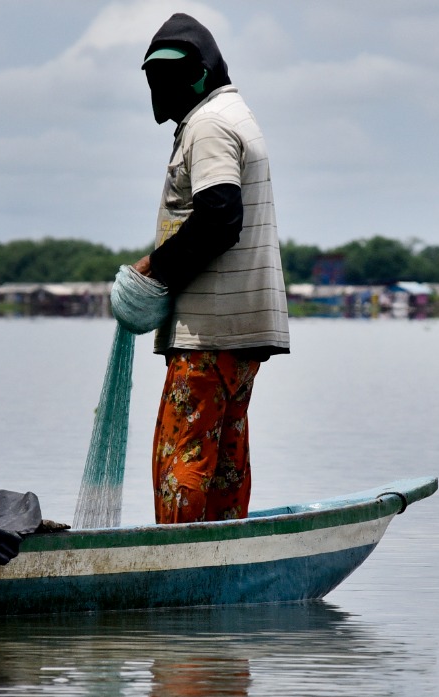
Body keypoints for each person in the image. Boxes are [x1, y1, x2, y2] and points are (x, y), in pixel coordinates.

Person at [133, 13, 289, 524]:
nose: (166, 87)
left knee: (182, 455)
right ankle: (223, 555)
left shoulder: (210, 125)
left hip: (209, 334)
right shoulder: (234, 114)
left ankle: (179, 564)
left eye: (175, 73)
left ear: (201, 72)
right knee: (225, 458)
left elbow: (220, 216)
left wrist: (155, 267)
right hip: (242, 332)